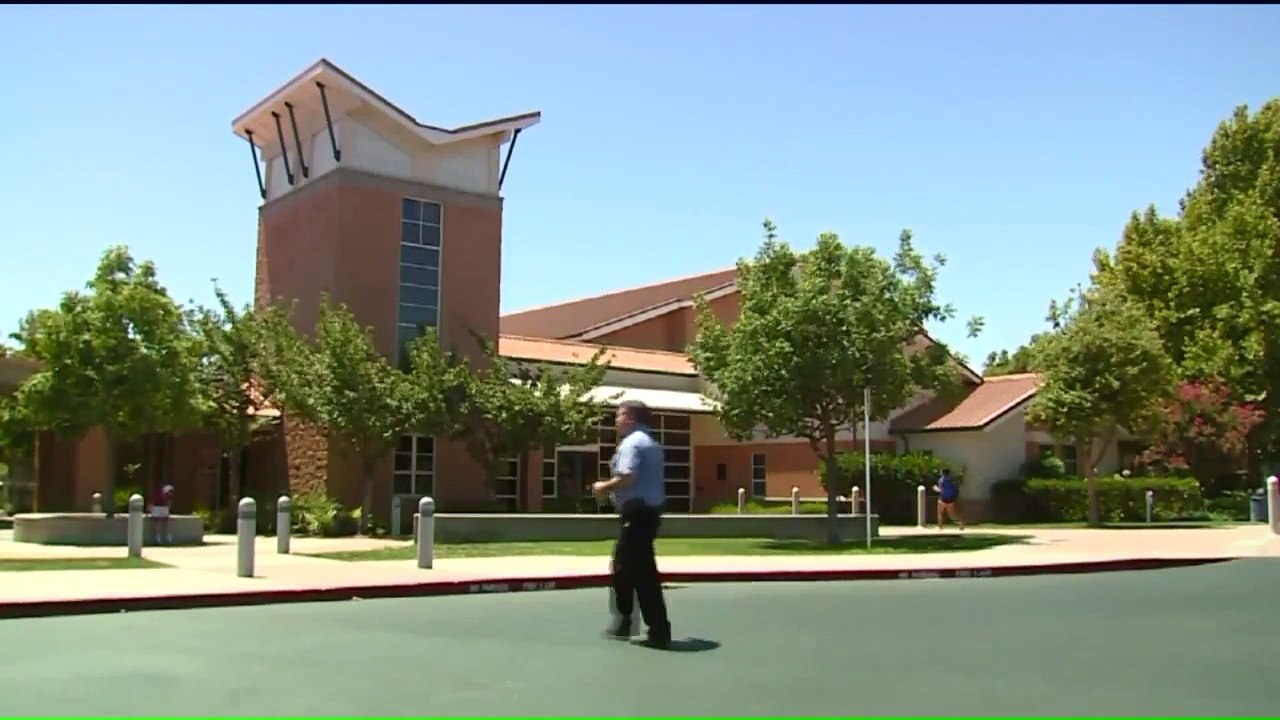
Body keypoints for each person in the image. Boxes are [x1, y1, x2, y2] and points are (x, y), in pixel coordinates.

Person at [592, 400, 672, 649]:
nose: (615, 421)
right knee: (624, 568)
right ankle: (625, 621)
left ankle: (657, 629)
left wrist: (603, 487)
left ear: (629, 418)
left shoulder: (632, 443)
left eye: (618, 416)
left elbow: (628, 476)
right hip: (647, 513)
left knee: (639, 571)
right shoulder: (652, 444)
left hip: (637, 514)